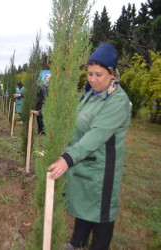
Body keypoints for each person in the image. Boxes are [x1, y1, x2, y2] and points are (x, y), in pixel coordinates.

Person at [47, 43, 131, 250]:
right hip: (83, 162)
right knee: (84, 206)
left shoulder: (117, 101)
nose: (92, 79)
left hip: (102, 170)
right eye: (90, 74)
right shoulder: (91, 94)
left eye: (98, 74)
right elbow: (79, 124)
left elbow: (96, 135)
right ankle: (77, 242)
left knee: (101, 213)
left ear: (112, 74)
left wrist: (67, 158)